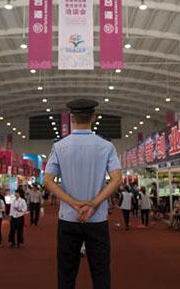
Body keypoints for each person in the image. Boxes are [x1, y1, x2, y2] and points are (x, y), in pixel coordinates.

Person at [43, 98, 122, 289]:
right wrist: (93, 204)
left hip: (69, 218)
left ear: (72, 118)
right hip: (97, 218)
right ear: (93, 117)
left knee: (66, 273)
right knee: (101, 271)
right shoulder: (106, 146)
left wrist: (74, 204)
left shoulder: (60, 146)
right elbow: (117, 179)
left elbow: (47, 181)